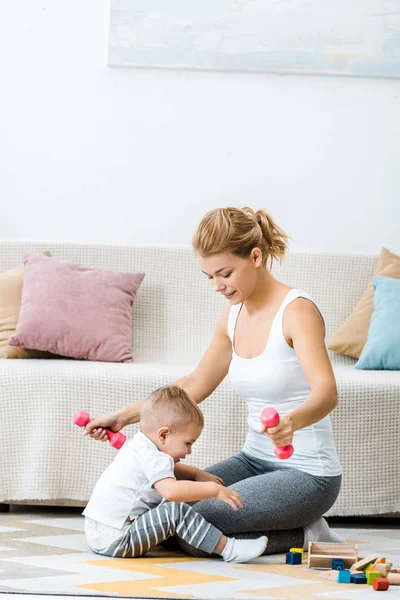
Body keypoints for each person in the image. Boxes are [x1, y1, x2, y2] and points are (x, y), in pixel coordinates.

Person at [84, 206, 344, 555]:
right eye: (209, 276)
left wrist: (292, 422)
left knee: (188, 524)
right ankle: (279, 528)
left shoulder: (297, 312)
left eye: (225, 273)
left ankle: (307, 533)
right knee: (166, 509)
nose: (218, 286)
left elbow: (327, 392)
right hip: (253, 460)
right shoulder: (232, 315)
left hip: (308, 475)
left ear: (255, 256)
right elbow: (196, 382)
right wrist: (123, 416)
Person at [83, 384, 268, 562]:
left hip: (97, 534)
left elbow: (167, 470)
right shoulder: (154, 456)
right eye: (188, 443)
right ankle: (230, 549)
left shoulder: (139, 446)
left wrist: (195, 474)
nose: (189, 451)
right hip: (117, 539)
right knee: (175, 510)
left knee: (168, 504)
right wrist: (214, 490)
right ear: (163, 435)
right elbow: (171, 491)